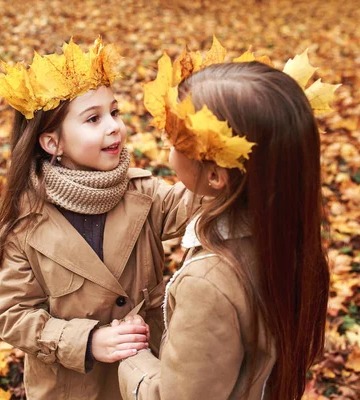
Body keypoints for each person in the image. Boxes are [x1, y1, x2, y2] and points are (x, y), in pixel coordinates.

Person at [118, 41, 335, 400]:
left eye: (177, 141)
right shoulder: (290, 234)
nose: (167, 145)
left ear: (217, 177)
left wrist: (133, 358)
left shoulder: (209, 285)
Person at [0, 37, 200, 399]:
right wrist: (86, 341)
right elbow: (12, 313)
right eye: (93, 118)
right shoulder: (27, 222)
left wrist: (220, 156)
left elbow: (195, 205)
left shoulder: (142, 193)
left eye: (114, 112)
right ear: (52, 143)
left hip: (142, 375)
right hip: (71, 387)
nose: (114, 126)